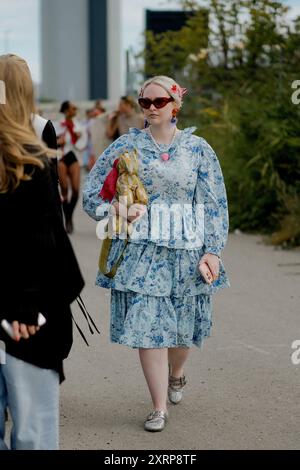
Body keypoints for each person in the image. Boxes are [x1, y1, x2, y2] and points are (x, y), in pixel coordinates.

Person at [83, 75, 230, 432]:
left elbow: (215, 205)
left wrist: (213, 251)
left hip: (187, 250)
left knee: (182, 332)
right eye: (144, 102)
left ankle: (177, 373)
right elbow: (91, 197)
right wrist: (117, 209)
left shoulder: (199, 150)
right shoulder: (124, 147)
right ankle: (158, 406)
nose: (150, 108)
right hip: (140, 251)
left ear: (175, 105)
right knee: (149, 327)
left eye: (158, 102)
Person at [0, 54, 84, 450]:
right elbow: (44, 239)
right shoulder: (33, 157)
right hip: (27, 315)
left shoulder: (35, 144)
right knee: (34, 430)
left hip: (21, 308)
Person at [56, 101, 86, 234]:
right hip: (61, 156)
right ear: (67, 110)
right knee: (64, 189)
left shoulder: (78, 125)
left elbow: (83, 142)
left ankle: (69, 216)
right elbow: (50, 141)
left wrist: (77, 138)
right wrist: (58, 142)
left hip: (74, 156)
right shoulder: (57, 125)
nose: (76, 110)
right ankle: (66, 220)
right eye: (73, 108)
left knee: (75, 190)